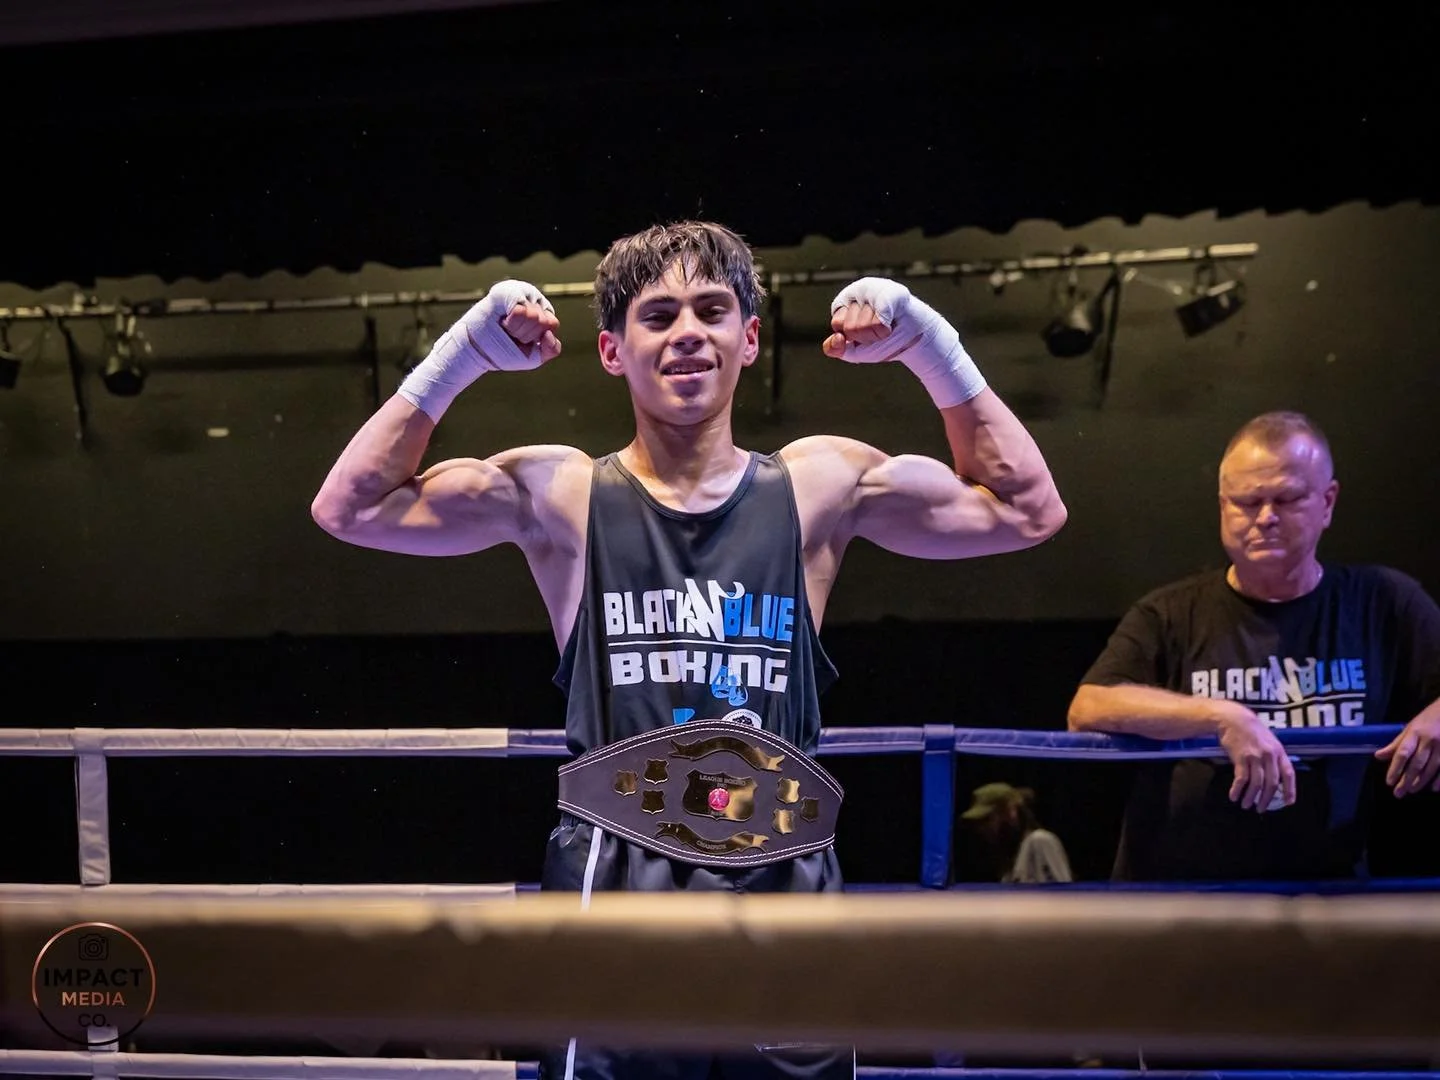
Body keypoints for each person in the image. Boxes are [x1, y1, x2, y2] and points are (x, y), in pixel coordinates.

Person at [311, 220, 1066, 1079]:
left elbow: (1027, 511)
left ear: (748, 339)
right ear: (611, 350)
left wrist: (931, 346)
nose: (686, 334)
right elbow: (350, 509)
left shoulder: (817, 486)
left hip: (785, 867)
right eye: (658, 315)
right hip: (621, 876)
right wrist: (463, 353)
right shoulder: (563, 493)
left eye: (711, 310)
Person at [1068, 410, 1440, 882]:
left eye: (1286, 499)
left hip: (1330, 900)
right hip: (1178, 902)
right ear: (1223, 506)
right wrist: (1222, 716)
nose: (1265, 517)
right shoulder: (1169, 612)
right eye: (1247, 501)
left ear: (1327, 503)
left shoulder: (1386, 602)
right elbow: (1088, 706)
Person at [960, 782, 1073, 883]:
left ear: (1010, 812)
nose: (982, 829)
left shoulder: (1039, 841)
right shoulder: (1010, 860)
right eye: (978, 824)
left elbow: (1064, 900)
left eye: (987, 820)